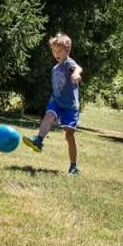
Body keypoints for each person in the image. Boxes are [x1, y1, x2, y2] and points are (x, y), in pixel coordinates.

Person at [23, 33, 83, 174]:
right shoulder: (55, 69)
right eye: (54, 51)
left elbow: (77, 68)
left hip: (70, 106)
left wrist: (76, 74)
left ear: (67, 50)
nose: (56, 54)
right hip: (56, 101)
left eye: (59, 51)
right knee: (49, 115)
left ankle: (73, 166)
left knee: (69, 135)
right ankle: (39, 140)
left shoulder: (68, 63)